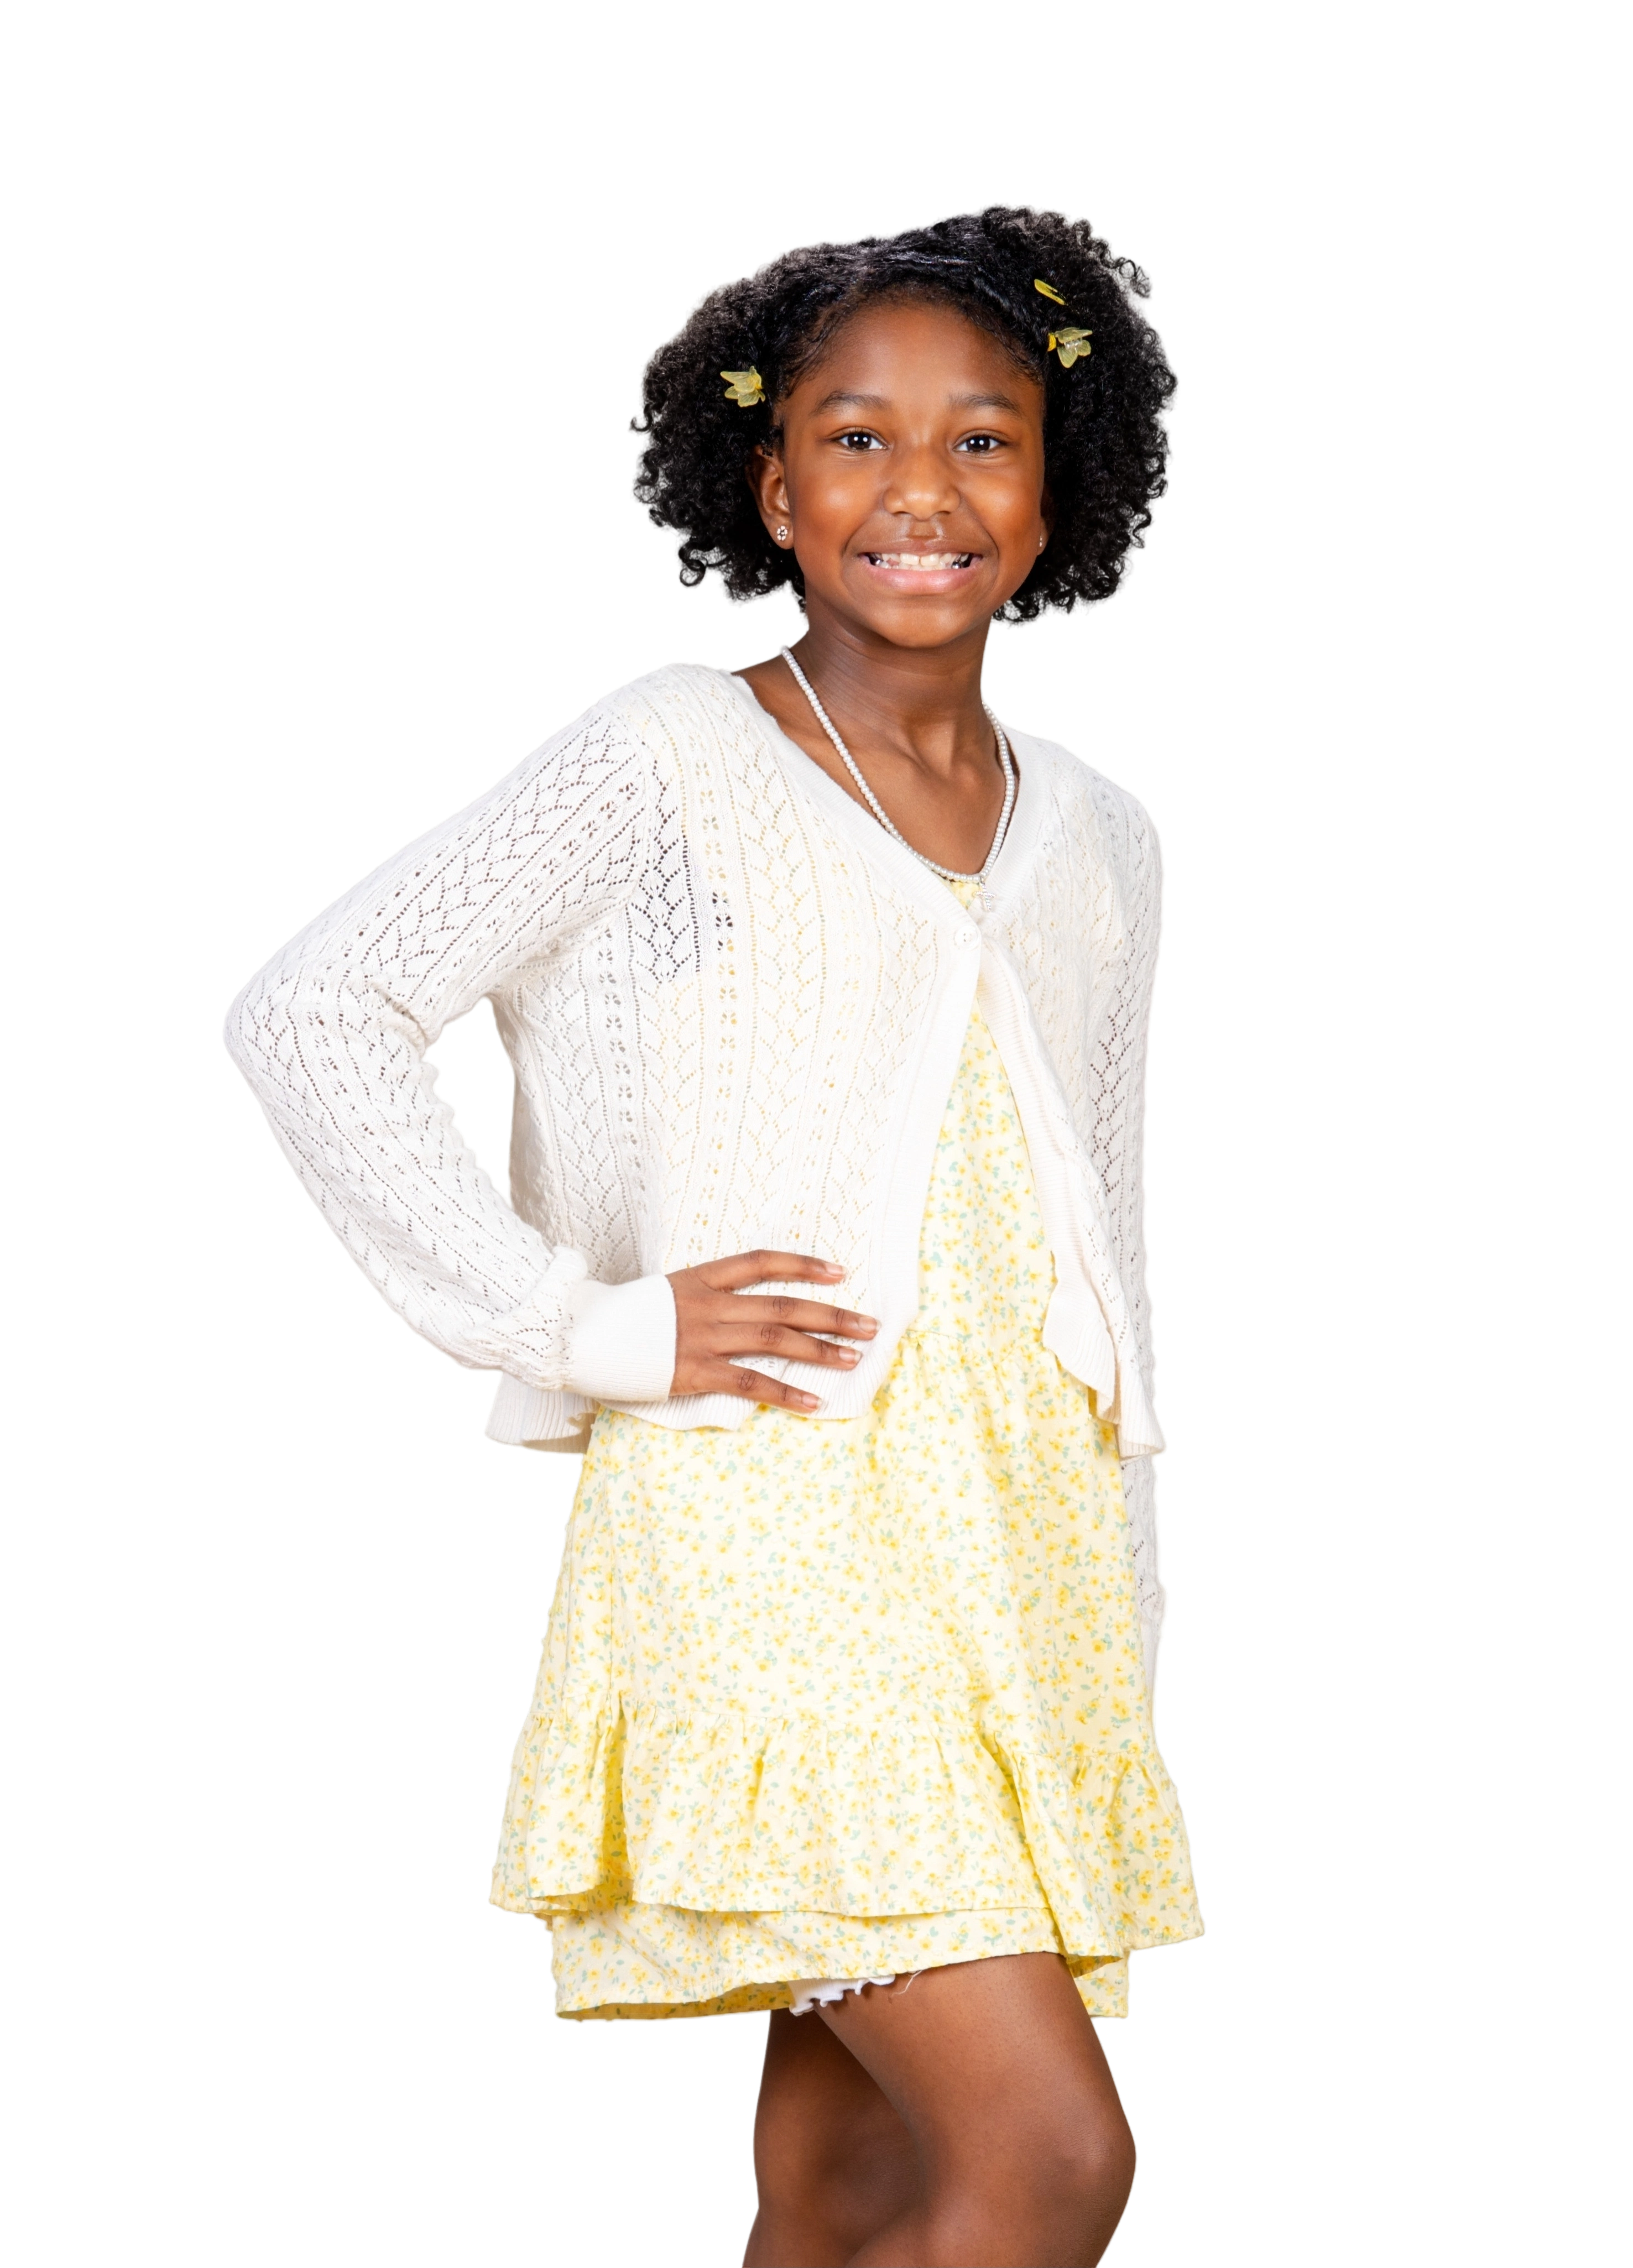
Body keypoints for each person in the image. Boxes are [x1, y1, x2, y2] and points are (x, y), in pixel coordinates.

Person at [221, 199, 1204, 2268]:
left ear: (1057, 488)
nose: (920, 489)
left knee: (847, 2183)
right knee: (1049, 2159)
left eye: (984, 438)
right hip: (777, 1544)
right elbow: (315, 1009)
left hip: (1017, 1556)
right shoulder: (667, 759)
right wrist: (578, 1322)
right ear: (771, 485)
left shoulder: (1104, 837)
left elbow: (1100, 1239)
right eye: (856, 437)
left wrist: (1126, 1583)